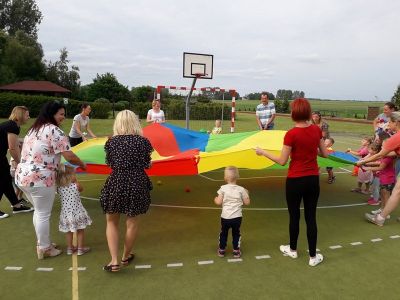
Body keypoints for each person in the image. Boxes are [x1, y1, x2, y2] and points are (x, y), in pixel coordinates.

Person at [255, 98, 329, 267]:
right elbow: (324, 154)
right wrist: (310, 150)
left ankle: (293, 250)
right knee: (311, 217)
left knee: (294, 216)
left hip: (295, 181)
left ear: (294, 114)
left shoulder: (291, 134)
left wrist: (263, 152)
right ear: (308, 113)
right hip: (312, 180)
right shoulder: (316, 130)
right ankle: (312, 257)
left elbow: (282, 161)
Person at [16, 101, 86, 259]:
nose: (63, 117)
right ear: (51, 114)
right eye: (61, 114)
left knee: (38, 211)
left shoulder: (34, 129)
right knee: (42, 213)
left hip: (22, 177)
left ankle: (43, 242)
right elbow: (69, 155)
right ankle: (45, 248)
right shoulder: (54, 131)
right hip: (40, 179)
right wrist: (82, 163)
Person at [100, 110, 153, 272]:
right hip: (137, 182)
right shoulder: (143, 142)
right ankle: (125, 256)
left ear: (118, 123)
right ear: (135, 123)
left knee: (111, 221)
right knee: (132, 222)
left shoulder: (111, 142)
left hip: (116, 182)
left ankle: (114, 261)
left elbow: (110, 164)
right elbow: (147, 164)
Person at [357, 112, 400, 226]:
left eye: (390, 122)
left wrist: (363, 162)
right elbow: (389, 154)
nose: (388, 124)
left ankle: (380, 218)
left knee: (396, 192)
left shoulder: (396, 137)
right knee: (396, 191)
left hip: (387, 174)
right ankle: (381, 217)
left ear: (396, 123)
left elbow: (380, 155)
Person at [0, 106, 34, 219]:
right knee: (2, 181)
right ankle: (16, 205)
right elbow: (12, 148)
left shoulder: (12, 125)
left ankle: (16, 206)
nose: (28, 117)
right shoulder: (13, 126)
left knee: (5, 180)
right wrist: (21, 163)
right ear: (20, 115)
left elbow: (14, 141)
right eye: (27, 115)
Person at [56, 163, 92, 256]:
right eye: (73, 174)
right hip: (77, 212)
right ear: (70, 176)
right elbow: (81, 189)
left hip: (66, 213)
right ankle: (80, 249)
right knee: (80, 230)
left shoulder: (59, 188)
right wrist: (76, 181)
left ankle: (69, 248)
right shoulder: (76, 186)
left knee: (68, 231)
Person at [214, 166, 250, 258]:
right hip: (237, 218)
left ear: (225, 178)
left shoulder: (223, 188)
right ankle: (236, 250)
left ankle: (222, 250)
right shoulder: (241, 189)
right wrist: (247, 194)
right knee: (236, 233)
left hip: (225, 217)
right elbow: (247, 202)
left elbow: (218, 202)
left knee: (223, 232)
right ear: (237, 177)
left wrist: (215, 199)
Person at [363, 143, 395, 219]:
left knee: (386, 197)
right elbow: (378, 162)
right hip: (383, 178)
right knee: (382, 195)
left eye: (384, 146)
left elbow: (380, 167)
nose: (382, 147)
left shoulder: (388, 157)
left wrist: (368, 168)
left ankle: (386, 213)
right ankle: (382, 209)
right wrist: (367, 163)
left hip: (388, 179)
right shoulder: (385, 155)